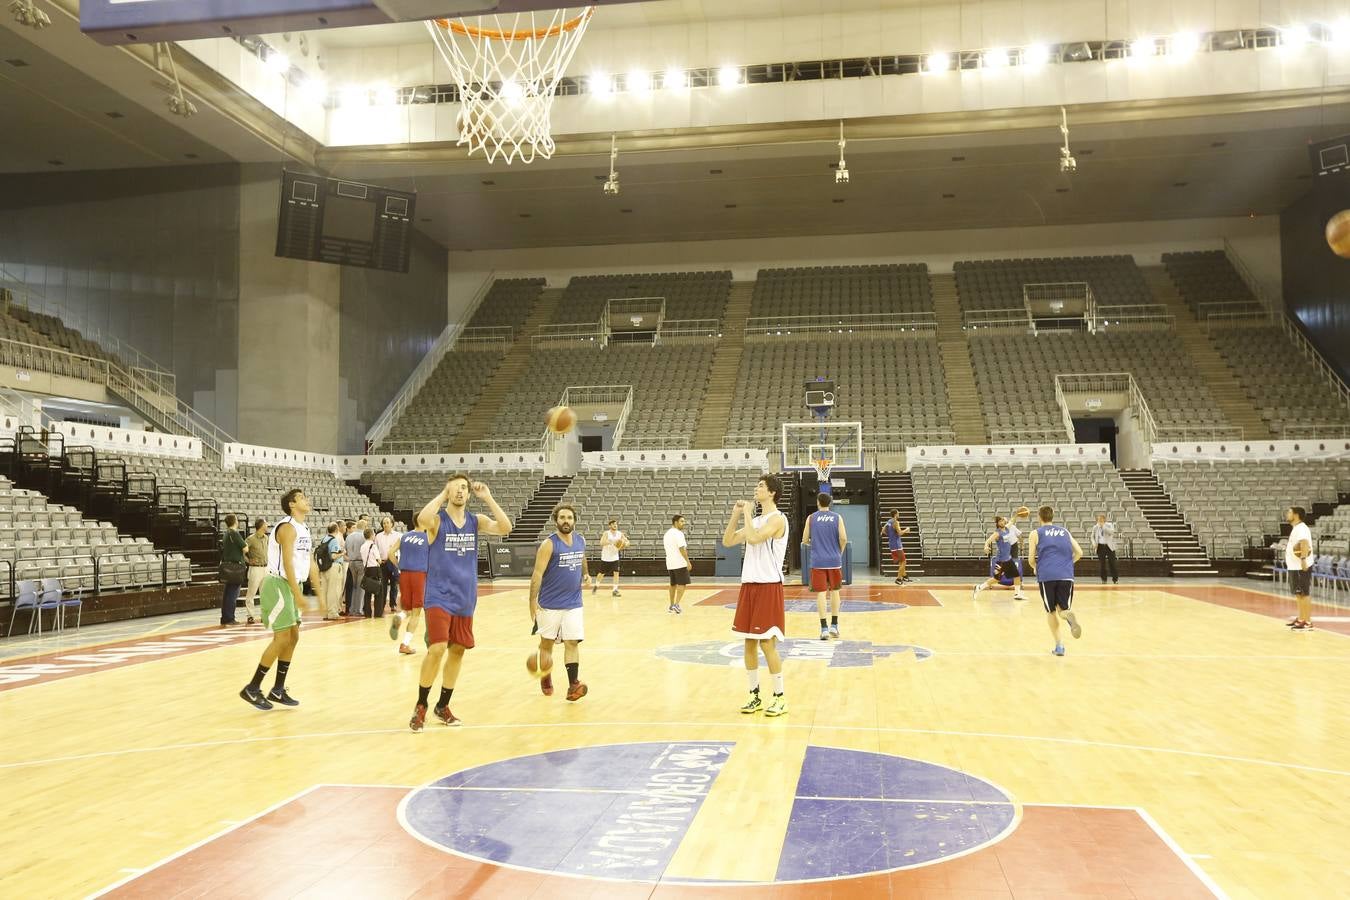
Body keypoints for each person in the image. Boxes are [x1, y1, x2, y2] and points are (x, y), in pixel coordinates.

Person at [408, 474, 512, 732]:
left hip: (465, 596)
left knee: (457, 650)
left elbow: (505, 528)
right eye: (455, 488)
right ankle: (421, 705)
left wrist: (488, 497)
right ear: (448, 491)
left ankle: (442, 706)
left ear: (468, 493)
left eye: (464, 488)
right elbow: (422, 519)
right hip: (438, 595)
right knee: (437, 648)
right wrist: (442, 495)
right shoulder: (437, 521)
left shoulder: (476, 521)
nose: (459, 491)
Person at [239, 489, 319, 709]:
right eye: (302, 497)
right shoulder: (286, 527)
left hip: (293, 584)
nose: (307, 499)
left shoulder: (304, 528)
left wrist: (318, 592)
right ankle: (252, 688)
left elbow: (308, 561)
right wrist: (298, 594)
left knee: (293, 637)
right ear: (292, 504)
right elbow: (287, 563)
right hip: (278, 584)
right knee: (282, 638)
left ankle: (278, 689)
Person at [723, 475, 790, 717]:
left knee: (767, 643)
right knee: (749, 642)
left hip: (768, 585)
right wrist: (735, 514)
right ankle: (754, 695)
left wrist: (747, 513)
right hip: (749, 585)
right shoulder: (758, 520)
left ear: (772, 493)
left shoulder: (778, 519)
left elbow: (753, 538)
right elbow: (728, 541)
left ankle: (780, 697)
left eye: (761, 486)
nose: (756, 488)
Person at [528, 504, 589, 701]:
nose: (566, 521)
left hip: (574, 603)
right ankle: (545, 675)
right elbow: (537, 573)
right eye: (562, 517)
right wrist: (532, 600)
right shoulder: (549, 544)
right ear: (556, 521)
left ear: (574, 520)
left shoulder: (580, 540)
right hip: (549, 605)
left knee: (572, 642)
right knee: (546, 644)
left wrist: (586, 574)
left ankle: (573, 685)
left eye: (569, 517)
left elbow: (582, 558)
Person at [1026, 505, 1084, 657]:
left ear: (1039, 517)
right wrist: (1068, 563)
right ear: (1052, 517)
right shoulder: (1065, 531)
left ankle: (1059, 646)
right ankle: (1068, 615)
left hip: (1047, 575)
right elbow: (1079, 552)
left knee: (1050, 610)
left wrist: (1035, 567)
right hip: (1066, 575)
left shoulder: (1035, 533)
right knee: (1063, 609)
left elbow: (1031, 559)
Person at [802, 492, 847, 640]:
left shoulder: (811, 518)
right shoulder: (837, 517)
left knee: (821, 593)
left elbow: (804, 540)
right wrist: (838, 552)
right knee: (835, 591)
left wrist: (814, 543)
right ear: (830, 503)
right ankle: (834, 625)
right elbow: (843, 538)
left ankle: (824, 629)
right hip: (834, 560)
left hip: (818, 561)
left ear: (817, 502)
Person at [972, 509, 1029, 601]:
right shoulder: (997, 533)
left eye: (1003, 520)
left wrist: (1017, 514)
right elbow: (988, 540)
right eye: (1000, 521)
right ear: (998, 523)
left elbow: (1012, 521)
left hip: (1008, 559)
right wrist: (986, 546)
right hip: (1001, 560)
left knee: (1017, 575)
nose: (1003, 521)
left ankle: (1017, 594)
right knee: (996, 579)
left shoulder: (1007, 528)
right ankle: (979, 587)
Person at [390, 525, 429, 654]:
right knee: (416, 613)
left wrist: (399, 565)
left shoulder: (404, 536)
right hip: (419, 574)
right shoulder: (427, 537)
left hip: (404, 574)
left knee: (407, 609)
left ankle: (400, 617)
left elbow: (390, 553)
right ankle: (405, 644)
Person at [1285, 506, 1314, 631]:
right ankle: (1301, 619)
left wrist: (1303, 560)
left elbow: (1304, 543)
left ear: (1296, 515)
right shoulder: (1296, 528)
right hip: (1294, 566)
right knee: (1298, 593)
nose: (1287, 514)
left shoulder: (1302, 528)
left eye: (1289, 512)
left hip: (1300, 566)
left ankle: (1308, 622)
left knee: (1304, 593)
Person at [240, 517, 269, 626]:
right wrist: (248, 561)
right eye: (265, 524)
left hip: (265, 568)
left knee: (265, 593)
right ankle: (250, 616)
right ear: (261, 526)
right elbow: (242, 551)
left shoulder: (266, 538)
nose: (267, 525)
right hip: (255, 568)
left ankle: (264, 615)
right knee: (251, 593)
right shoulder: (250, 539)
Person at [219, 514, 246, 627]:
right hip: (235, 567)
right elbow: (245, 548)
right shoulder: (234, 533)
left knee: (227, 593)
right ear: (235, 521)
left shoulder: (226, 534)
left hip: (228, 566)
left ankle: (225, 617)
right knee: (233, 594)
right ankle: (230, 618)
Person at [663, 514, 692, 614]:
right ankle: (676, 604)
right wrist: (687, 561)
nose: (684, 523)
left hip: (670, 563)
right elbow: (682, 548)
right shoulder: (679, 534)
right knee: (682, 584)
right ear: (676, 522)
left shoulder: (667, 534)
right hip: (679, 562)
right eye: (681, 521)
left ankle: (671, 605)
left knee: (673, 584)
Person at [592, 518, 626, 597]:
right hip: (606, 557)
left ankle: (615, 590)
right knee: (601, 574)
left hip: (615, 557)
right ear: (610, 526)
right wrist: (611, 542)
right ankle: (596, 585)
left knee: (616, 573)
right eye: (613, 524)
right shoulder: (606, 533)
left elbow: (627, 542)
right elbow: (601, 543)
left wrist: (624, 544)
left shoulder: (620, 534)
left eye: (616, 524)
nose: (615, 525)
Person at [375, 516, 401, 616]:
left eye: (387, 522)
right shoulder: (378, 536)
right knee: (383, 585)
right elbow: (375, 549)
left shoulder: (398, 535)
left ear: (392, 524)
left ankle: (393, 604)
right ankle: (382, 604)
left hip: (394, 561)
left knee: (394, 584)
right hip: (383, 562)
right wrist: (378, 560)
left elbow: (400, 549)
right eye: (384, 523)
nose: (385, 524)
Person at [320, 522, 346, 620]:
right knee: (334, 591)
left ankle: (326, 613)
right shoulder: (334, 540)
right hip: (333, 567)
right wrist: (342, 553)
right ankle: (333, 613)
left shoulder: (324, 539)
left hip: (324, 568)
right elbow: (333, 556)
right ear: (337, 529)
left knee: (325, 591)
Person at [345, 517, 367, 617]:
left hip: (351, 562)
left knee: (353, 587)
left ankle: (352, 609)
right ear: (365, 527)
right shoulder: (364, 536)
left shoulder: (349, 536)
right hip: (360, 562)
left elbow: (346, 550)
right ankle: (358, 610)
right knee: (360, 587)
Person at [883, 511, 912, 584]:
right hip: (897, 545)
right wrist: (906, 529)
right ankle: (898, 579)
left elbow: (883, 531)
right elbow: (900, 533)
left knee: (901, 562)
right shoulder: (896, 522)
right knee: (904, 562)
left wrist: (891, 535)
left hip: (892, 544)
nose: (899, 514)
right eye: (898, 513)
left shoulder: (889, 521)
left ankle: (905, 576)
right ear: (895, 514)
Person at [360, 527, 383, 617]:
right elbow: (378, 560)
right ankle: (378, 613)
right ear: (371, 535)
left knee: (368, 591)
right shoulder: (373, 546)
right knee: (378, 591)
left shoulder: (362, 546)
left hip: (367, 569)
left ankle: (367, 613)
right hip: (375, 569)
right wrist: (380, 561)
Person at [1092, 514, 1119, 585]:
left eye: (1101, 519)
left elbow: (1111, 532)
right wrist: (1094, 543)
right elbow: (1092, 537)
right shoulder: (1095, 527)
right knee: (1102, 564)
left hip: (1109, 546)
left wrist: (1103, 526)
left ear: (1104, 520)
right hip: (1100, 546)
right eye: (1098, 519)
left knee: (1112, 563)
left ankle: (1115, 579)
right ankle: (1104, 579)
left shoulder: (1109, 525)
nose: (1099, 521)